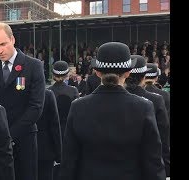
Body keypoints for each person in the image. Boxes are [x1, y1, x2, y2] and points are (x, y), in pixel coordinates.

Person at [60, 42, 166, 180]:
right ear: (128, 73)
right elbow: (153, 162)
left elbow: (69, 161)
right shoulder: (143, 107)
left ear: (97, 72)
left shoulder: (78, 106)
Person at [0, 22, 45, 180]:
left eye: (3, 44)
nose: (0, 50)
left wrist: (10, 135)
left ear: (13, 40)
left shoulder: (33, 66)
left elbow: (36, 107)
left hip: (24, 139)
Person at [125, 55, 170, 177]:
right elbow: (163, 138)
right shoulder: (156, 99)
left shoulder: (114, 98)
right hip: (148, 165)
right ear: (144, 76)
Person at [48, 61, 79, 141]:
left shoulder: (48, 92)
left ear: (53, 75)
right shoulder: (73, 90)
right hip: (69, 130)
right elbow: (77, 113)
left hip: (52, 131)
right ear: (67, 75)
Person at [37, 89, 62, 180]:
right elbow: (54, 125)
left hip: (21, 148)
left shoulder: (18, 92)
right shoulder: (48, 94)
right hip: (45, 148)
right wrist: (59, 153)